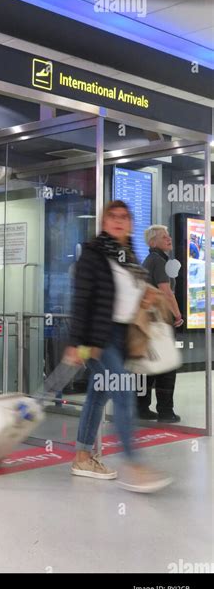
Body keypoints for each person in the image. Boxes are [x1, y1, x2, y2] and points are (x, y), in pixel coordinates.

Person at [64, 200, 172, 493]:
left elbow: (131, 295)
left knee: (98, 395)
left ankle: (83, 457)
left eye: (124, 217)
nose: (118, 221)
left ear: (131, 223)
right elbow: (81, 299)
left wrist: (148, 296)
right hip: (98, 339)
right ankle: (134, 465)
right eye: (112, 216)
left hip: (122, 337)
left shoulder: (129, 256)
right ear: (103, 221)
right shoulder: (93, 253)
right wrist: (75, 343)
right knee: (123, 393)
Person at [138, 225, 182, 423]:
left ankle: (141, 408)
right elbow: (166, 291)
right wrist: (177, 314)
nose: (169, 239)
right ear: (152, 242)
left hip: (148, 322)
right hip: (160, 322)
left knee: (149, 367)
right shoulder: (158, 260)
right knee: (167, 368)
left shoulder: (150, 260)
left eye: (169, 235)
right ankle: (166, 411)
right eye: (164, 237)